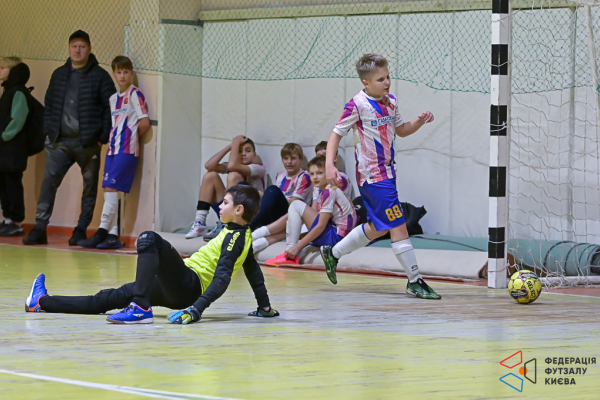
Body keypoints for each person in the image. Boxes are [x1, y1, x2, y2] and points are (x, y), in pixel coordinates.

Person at [25, 185, 280, 324]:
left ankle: (139, 307)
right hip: (177, 288)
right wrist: (264, 307)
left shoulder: (236, 239)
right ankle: (41, 303)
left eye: (224, 202)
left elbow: (222, 278)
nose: (220, 206)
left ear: (238, 210)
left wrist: (196, 309)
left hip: (188, 285)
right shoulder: (241, 236)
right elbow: (253, 271)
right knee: (108, 298)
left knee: (149, 239)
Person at [320, 53, 441, 300]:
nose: (387, 82)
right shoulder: (357, 105)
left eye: (388, 77)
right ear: (365, 82)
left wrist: (418, 121)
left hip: (388, 172)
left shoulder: (391, 101)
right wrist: (329, 165)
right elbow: (336, 134)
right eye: (380, 79)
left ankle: (333, 253)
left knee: (378, 227)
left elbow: (401, 130)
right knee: (398, 224)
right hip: (372, 177)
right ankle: (415, 281)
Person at [23, 30, 115, 246]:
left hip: (88, 143)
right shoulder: (59, 74)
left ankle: (80, 230)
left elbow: (109, 108)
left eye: (82, 46)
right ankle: (40, 228)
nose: (77, 50)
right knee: (48, 184)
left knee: (89, 187)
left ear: (89, 49)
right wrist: (48, 131)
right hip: (59, 142)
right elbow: (49, 104)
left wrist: (102, 137)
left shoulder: (100, 76)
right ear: (69, 48)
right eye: (74, 46)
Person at [77, 56, 150, 249]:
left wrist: (131, 138)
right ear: (114, 74)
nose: (122, 75)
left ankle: (101, 231)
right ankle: (112, 235)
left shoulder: (135, 94)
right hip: (112, 149)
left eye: (126, 72)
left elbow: (144, 122)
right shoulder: (112, 99)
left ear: (131, 73)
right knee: (109, 190)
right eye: (119, 72)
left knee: (110, 188)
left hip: (126, 149)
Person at [264, 156, 356, 265]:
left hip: (337, 238)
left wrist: (298, 247)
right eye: (312, 174)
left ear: (328, 173)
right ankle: (288, 249)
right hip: (341, 234)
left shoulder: (329, 192)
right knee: (299, 212)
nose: (315, 177)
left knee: (296, 205)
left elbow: (320, 226)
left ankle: (290, 253)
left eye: (320, 173)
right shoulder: (330, 190)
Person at [186, 135, 265, 240]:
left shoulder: (259, 167)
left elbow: (233, 166)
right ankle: (200, 223)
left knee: (233, 175)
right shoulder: (233, 165)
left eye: (248, 150)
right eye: (239, 151)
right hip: (230, 212)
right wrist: (231, 146)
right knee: (210, 175)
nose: (243, 154)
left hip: (248, 214)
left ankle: (228, 224)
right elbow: (209, 165)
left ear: (254, 155)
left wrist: (236, 144)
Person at [250, 143, 313, 252]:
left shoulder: (304, 176)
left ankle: (249, 228)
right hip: (277, 214)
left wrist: (272, 196)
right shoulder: (281, 175)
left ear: (301, 159)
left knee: (272, 190)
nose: (289, 162)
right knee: (248, 190)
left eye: (293, 158)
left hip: (291, 214)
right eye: (286, 158)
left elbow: (294, 203)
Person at [0, 57, 30, 237]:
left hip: (13, 148)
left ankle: (17, 221)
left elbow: (18, 119)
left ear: (12, 71)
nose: (0, 71)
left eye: (2, 67)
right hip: (5, 148)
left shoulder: (18, 92)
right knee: (4, 184)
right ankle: (8, 219)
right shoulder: (8, 91)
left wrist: (4, 136)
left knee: (13, 184)